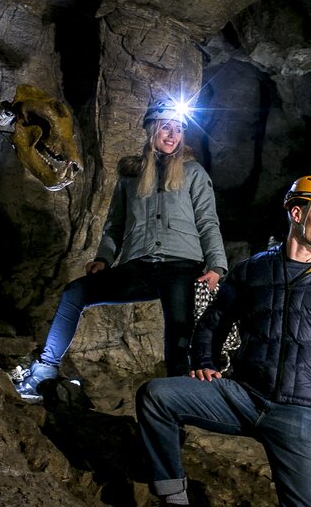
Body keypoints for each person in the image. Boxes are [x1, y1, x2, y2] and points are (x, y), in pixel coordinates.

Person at [135, 175, 311, 507]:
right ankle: (174, 501)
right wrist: (204, 360)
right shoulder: (254, 269)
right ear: (296, 213)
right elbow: (212, 322)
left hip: (302, 412)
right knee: (156, 396)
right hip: (243, 396)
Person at [12, 95, 229, 401]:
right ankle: (45, 370)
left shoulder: (194, 173)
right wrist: (104, 258)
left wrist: (216, 267)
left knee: (178, 337)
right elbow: (114, 224)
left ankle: (176, 409)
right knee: (75, 293)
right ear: (151, 130)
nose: (172, 134)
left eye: (178, 130)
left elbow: (208, 221)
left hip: (182, 267)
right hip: (139, 266)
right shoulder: (130, 175)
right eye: (165, 127)